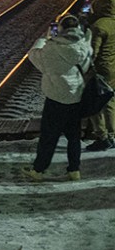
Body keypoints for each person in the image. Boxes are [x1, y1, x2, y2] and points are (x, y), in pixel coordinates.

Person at [24, 14, 93, 181]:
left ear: (60, 29)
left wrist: (44, 38)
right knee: (74, 137)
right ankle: (74, 170)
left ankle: (38, 170)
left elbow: (33, 55)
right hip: (76, 98)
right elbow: (87, 49)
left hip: (55, 100)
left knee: (49, 137)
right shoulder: (84, 47)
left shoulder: (52, 49)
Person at [86, 0, 115, 150]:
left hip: (101, 70)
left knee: (94, 103)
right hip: (114, 69)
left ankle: (102, 137)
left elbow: (92, 52)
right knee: (110, 102)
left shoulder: (99, 26)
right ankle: (112, 135)